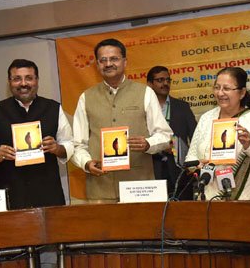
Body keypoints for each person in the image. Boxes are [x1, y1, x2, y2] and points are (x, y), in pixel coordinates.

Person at [71, 38, 173, 203]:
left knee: (143, 230)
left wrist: (148, 144)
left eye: (114, 59)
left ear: (125, 62)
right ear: (97, 65)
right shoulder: (86, 97)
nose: (108, 63)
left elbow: (165, 136)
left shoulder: (145, 93)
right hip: (100, 190)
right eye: (103, 60)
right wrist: (86, 163)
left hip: (140, 189)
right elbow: (77, 144)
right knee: (103, 230)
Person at [0, 59, 73, 209]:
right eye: (17, 79)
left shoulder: (53, 108)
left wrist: (57, 148)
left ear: (37, 80)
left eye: (29, 78)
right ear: (9, 82)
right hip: (12, 194)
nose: (23, 84)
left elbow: (69, 144)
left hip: (49, 193)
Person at [184, 67, 250, 200]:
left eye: (226, 88)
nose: (220, 93)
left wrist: (249, 146)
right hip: (209, 200)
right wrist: (197, 166)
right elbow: (190, 158)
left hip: (248, 202)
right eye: (217, 87)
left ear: (242, 93)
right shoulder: (207, 118)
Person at [146, 65, 197, 199]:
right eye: (160, 80)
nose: (165, 83)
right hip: (151, 168)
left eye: (168, 80)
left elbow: (196, 138)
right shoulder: (143, 109)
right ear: (150, 84)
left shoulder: (182, 107)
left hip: (179, 170)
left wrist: (176, 148)